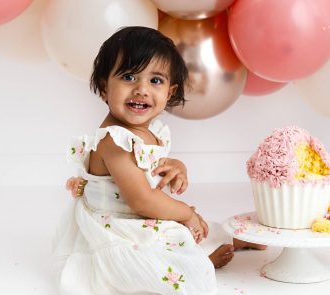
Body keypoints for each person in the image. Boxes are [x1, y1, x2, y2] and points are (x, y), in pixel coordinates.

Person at [54, 26, 264, 295]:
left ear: (169, 91)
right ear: (105, 87)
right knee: (166, 248)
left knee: (198, 226)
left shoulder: (147, 132)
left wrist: (177, 167)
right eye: (129, 77)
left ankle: (234, 240)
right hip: (119, 227)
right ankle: (200, 263)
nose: (141, 90)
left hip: (141, 216)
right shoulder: (115, 141)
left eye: (155, 81)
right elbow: (142, 200)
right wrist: (186, 212)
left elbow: (150, 167)